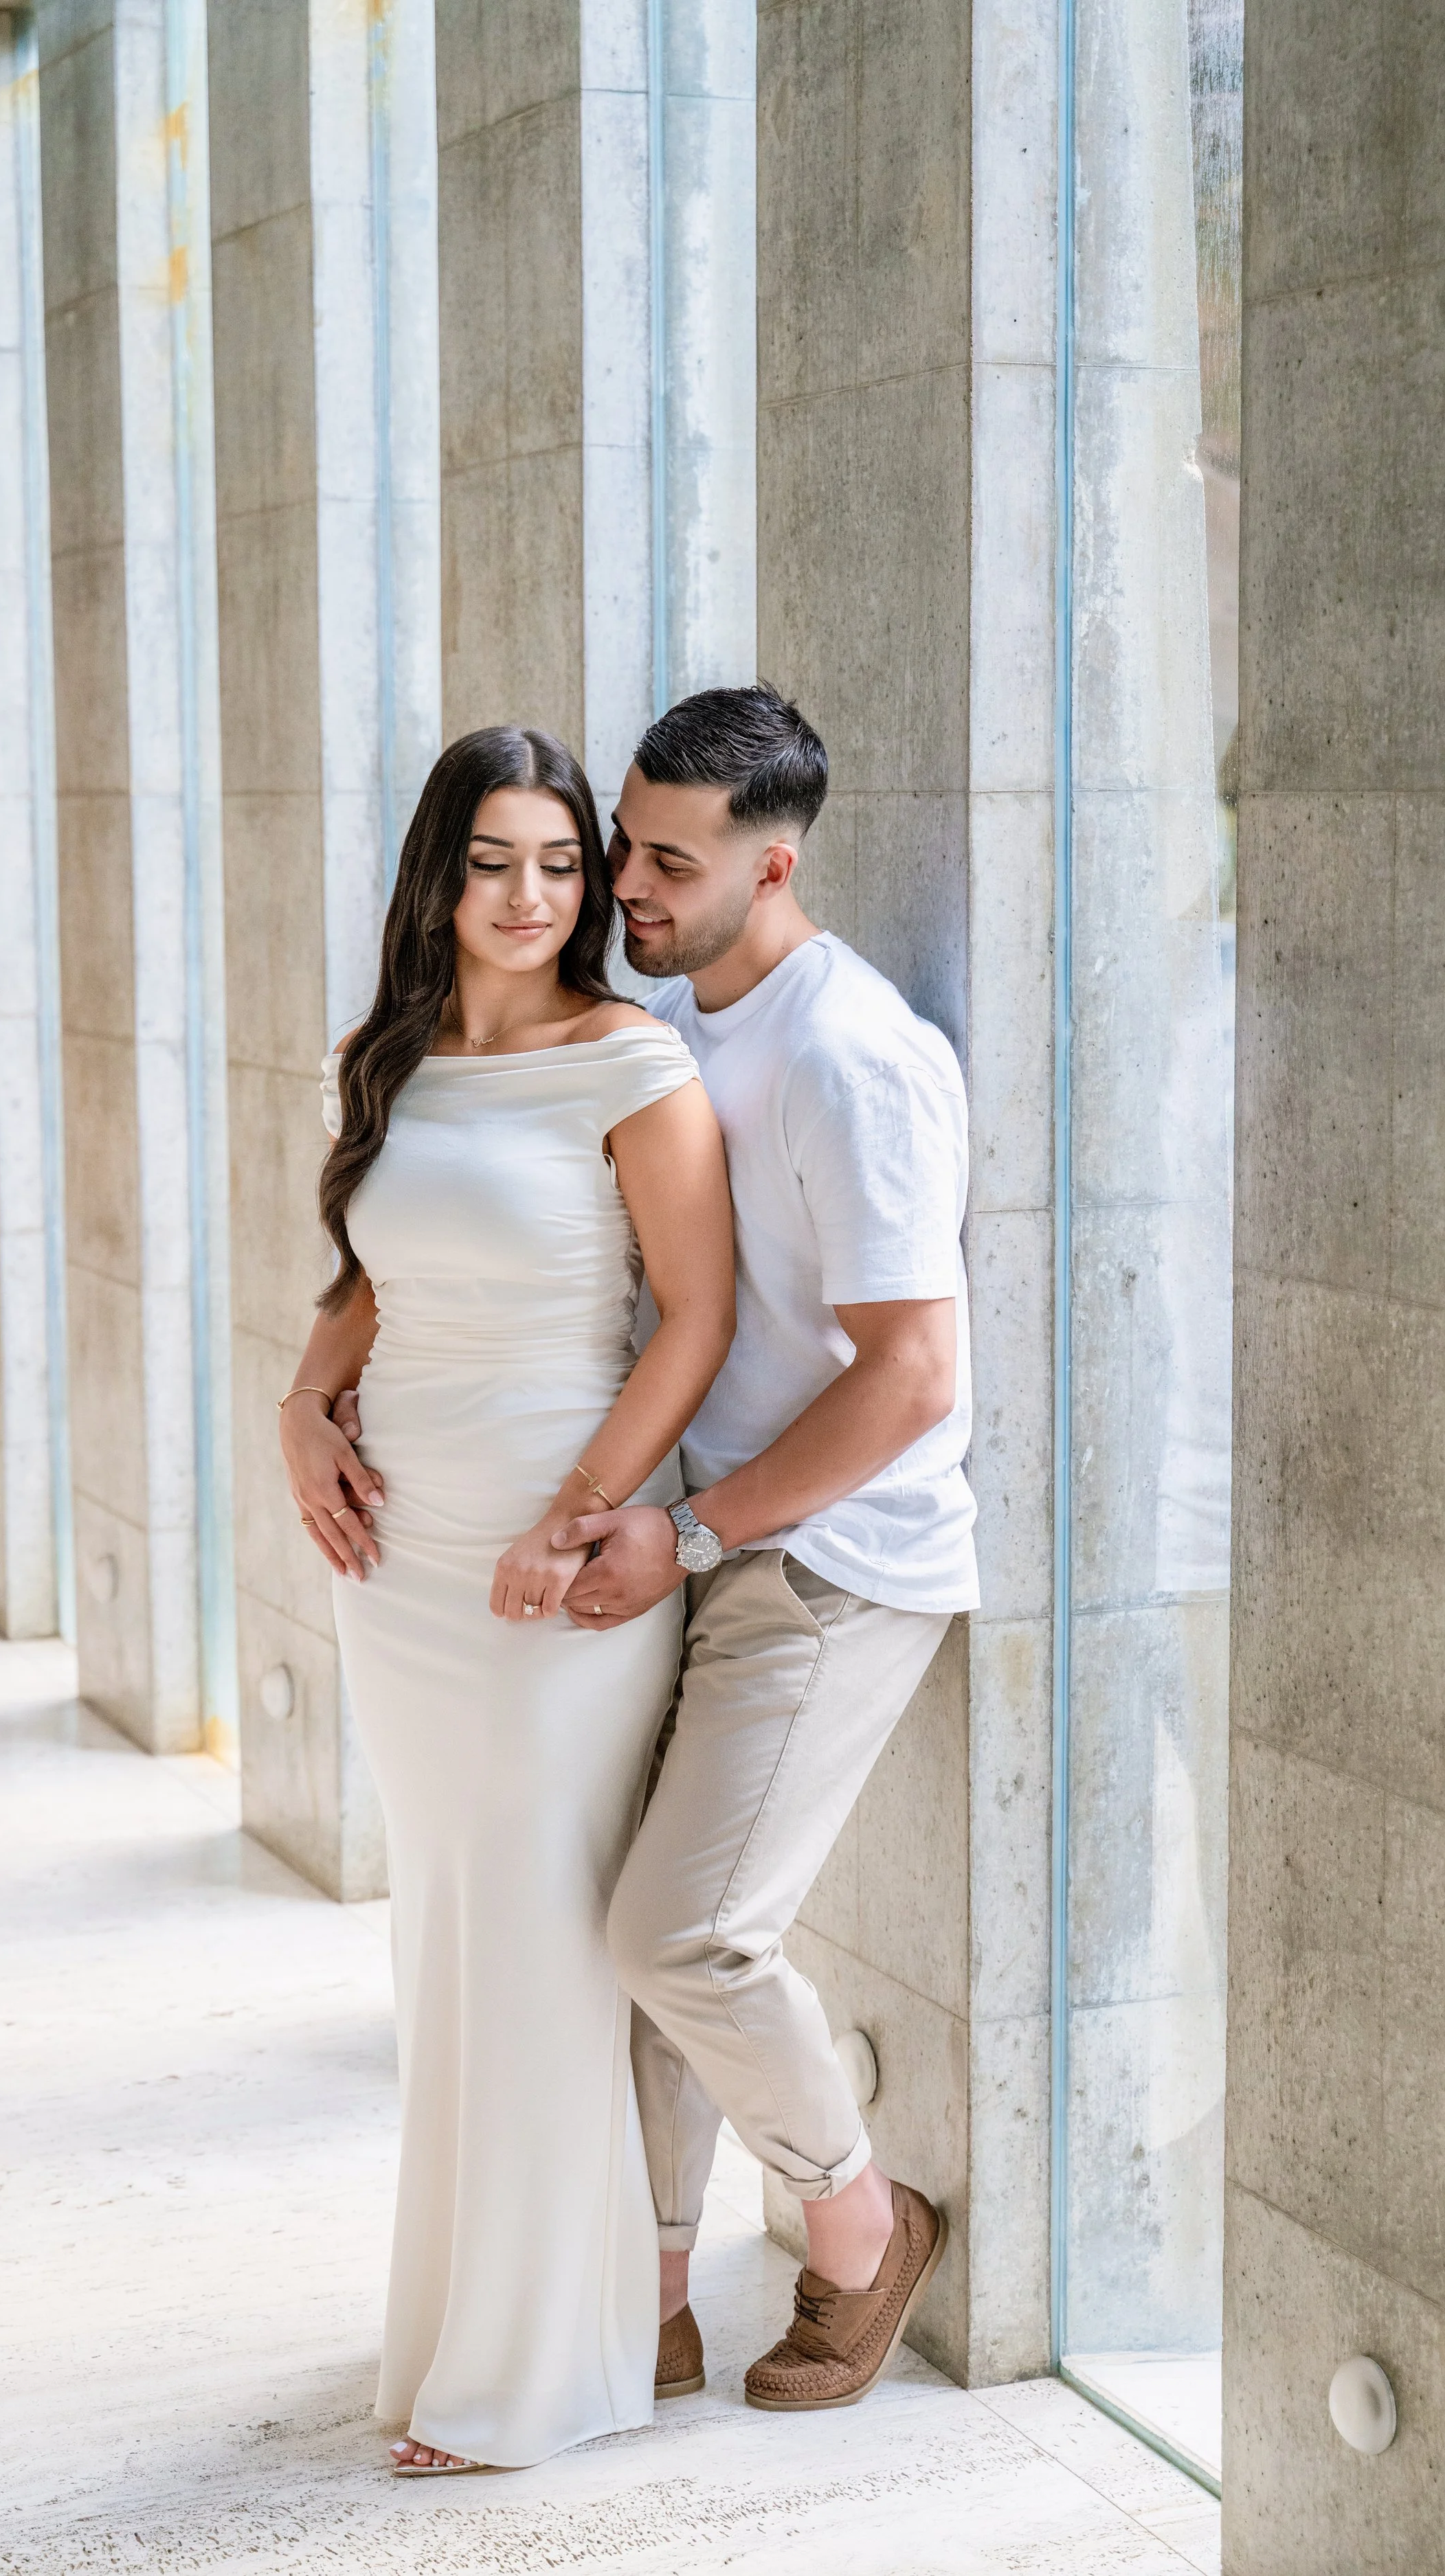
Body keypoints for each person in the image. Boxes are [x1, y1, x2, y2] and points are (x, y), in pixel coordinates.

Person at [278, 725, 735, 2474]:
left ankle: (536, 2373)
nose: (530, 895)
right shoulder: (390, 1060)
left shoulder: (631, 1060)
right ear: (439, 874)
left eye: (559, 862)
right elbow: (370, 1279)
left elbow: (692, 1319)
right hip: (401, 1562)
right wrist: (300, 1405)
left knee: (541, 1934)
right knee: (448, 1928)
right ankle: (460, 2329)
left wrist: (578, 1515)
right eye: (491, 862)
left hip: (562, 1551)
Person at [551, 683, 981, 2414]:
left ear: (773, 865)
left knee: (684, 1940)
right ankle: (655, 2293)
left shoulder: (849, 1055)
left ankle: (865, 2233)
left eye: (669, 862)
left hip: (830, 1563)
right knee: (630, 1932)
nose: (626, 886)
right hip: (707, 1536)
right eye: (624, 846)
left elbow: (911, 1374)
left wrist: (688, 1534)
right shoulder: (679, 1018)